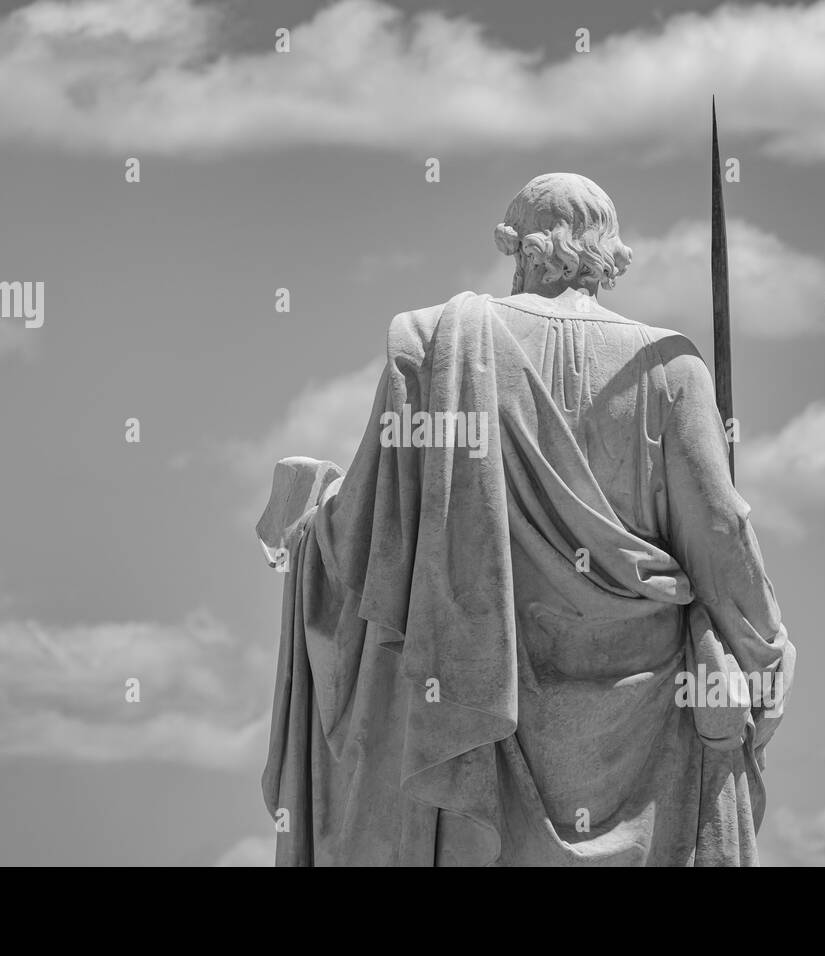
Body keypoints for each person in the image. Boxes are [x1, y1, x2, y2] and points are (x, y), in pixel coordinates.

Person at [257, 172, 795, 866]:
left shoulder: (433, 348)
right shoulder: (670, 368)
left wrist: (305, 521)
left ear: (517, 245)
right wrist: (767, 655)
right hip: (652, 733)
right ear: (609, 252)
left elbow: (365, 542)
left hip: (484, 716)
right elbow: (722, 540)